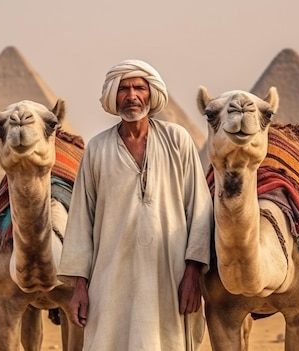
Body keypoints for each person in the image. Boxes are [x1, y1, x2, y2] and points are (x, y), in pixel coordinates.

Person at [58, 59, 213, 350]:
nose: (132, 96)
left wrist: (193, 275)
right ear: (113, 95)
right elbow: (80, 220)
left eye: (139, 88)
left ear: (151, 94)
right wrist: (79, 286)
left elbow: (200, 210)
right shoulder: (97, 149)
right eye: (123, 88)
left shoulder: (177, 140)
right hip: (110, 279)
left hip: (170, 276)